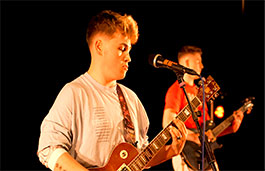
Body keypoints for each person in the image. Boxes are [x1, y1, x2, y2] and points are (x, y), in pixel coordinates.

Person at [37, 10, 188, 171]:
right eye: (122, 49)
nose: (128, 57)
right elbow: (49, 149)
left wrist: (170, 151)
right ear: (99, 47)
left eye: (129, 51)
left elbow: (140, 157)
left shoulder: (131, 99)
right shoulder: (74, 93)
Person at [162, 45, 244, 171]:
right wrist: (194, 137)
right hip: (185, 155)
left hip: (205, 155)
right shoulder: (175, 90)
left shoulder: (200, 92)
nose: (202, 66)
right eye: (198, 61)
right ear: (187, 62)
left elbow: (208, 130)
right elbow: (168, 123)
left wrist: (231, 128)